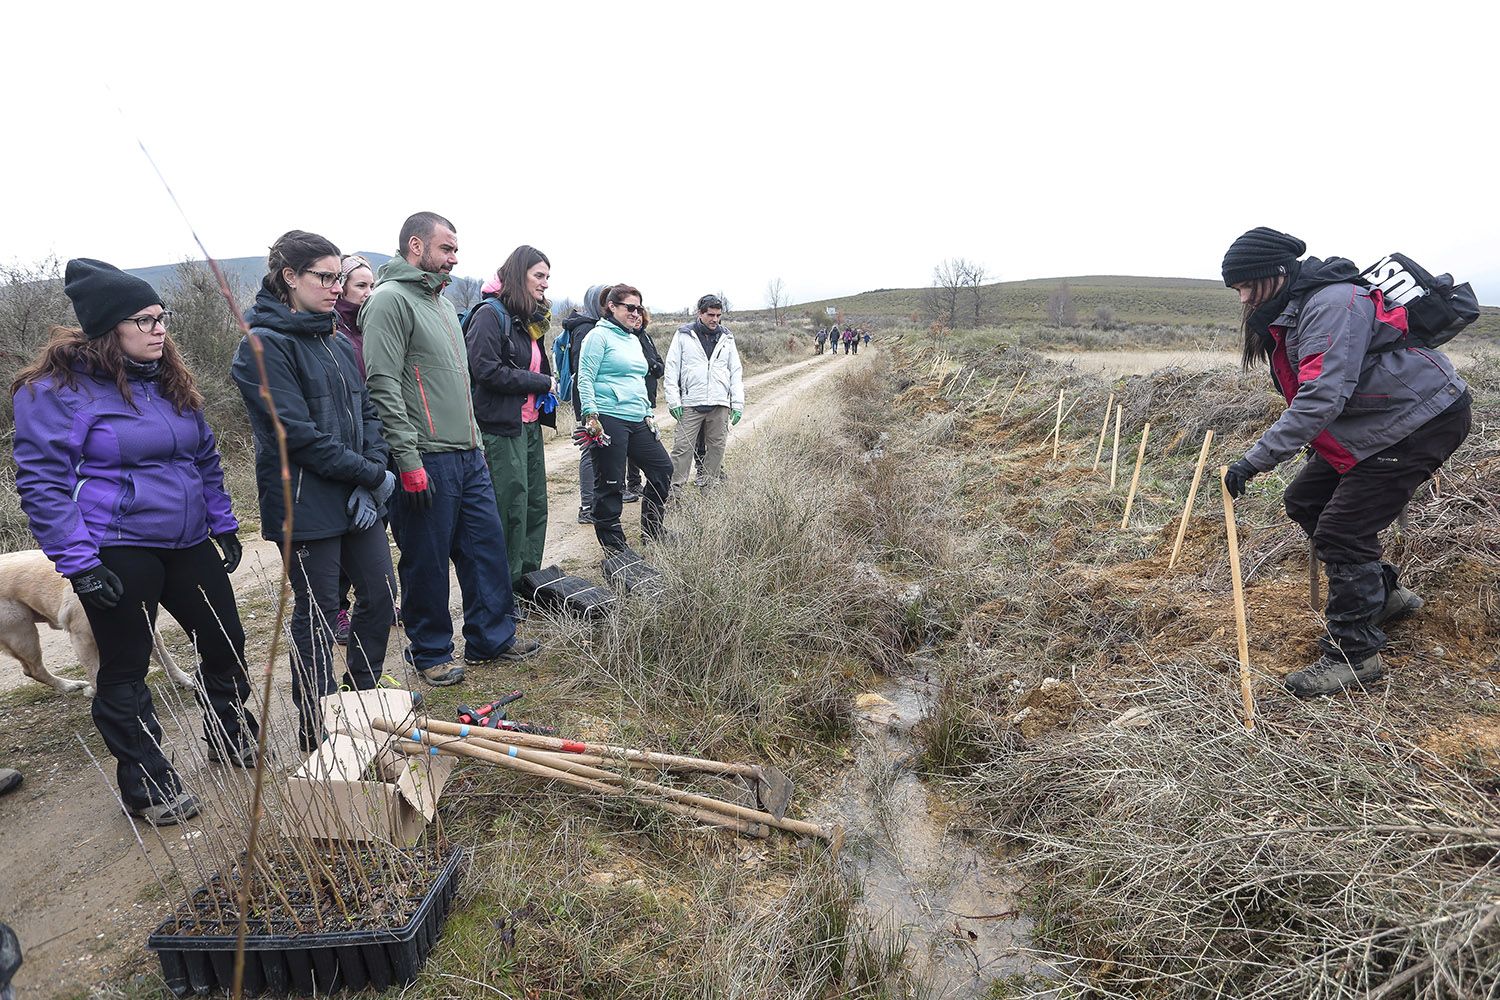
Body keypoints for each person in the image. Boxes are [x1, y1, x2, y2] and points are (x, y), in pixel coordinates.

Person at [12, 259, 258, 826]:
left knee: (225, 639)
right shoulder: (55, 392)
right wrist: (78, 563)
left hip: (189, 538)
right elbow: (43, 485)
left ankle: (227, 732)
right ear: (107, 329)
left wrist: (222, 522)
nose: (159, 328)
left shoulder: (166, 380)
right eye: (142, 319)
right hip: (117, 545)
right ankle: (146, 782)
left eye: (161, 316)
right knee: (124, 667)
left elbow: (204, 456)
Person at [1220, 227, 1471, 698]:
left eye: (1246, 286)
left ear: (1274, 274)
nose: (1243, 299)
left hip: (1421, 418)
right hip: (1377, 418)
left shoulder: (1332, 304)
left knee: (1342, 529)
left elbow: (1321, 396)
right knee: (1305, 499)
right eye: (1237, 289)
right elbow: (1320, 391)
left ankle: (1354, 655)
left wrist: (1255, 460)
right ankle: (1385, 598)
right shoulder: (1296, 306)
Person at [232, 231, 399, 751]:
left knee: (380, 595)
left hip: (356, 495)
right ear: (289, 277)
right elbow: (296, 435)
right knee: (320, 611)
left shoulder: (333, 339)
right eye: (324, 278)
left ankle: (362, 700)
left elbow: (367, 411)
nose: (335, 287)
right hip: (304, 502)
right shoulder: (261, 347)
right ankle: (319, 722)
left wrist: (374, 470)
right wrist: (369, 476)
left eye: (337, 278)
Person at [361, 212, 540, 686]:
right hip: (424, 456)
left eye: (456, 250)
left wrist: (477, 443)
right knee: (426, 558)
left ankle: (492, 637)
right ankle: (432, 651)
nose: (454, 259)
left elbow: (461, 385)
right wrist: (407, 459)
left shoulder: (441, 304)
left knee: (486, 549)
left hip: (468, 452)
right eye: (447, 249)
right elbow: (381, 384)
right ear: (416, 247)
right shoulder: (389, 301)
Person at [463, 246, 556, 588]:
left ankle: (527, 582)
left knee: (534, 505)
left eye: (547, 276)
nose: (545, 283)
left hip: (529, 425)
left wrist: (544, 385)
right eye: (538, 275)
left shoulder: (529, 319)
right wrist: (540, 381)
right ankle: (503, 589)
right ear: (520, 275)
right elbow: (485, 370)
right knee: (509, 509)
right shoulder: (490, 314)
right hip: (501, 429)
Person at [576, 285, 674, 551]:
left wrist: (647, 413)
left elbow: (638, 380)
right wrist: (590, 416)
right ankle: (615, 549)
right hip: (609, 417)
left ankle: (653, 532)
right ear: (612, 307)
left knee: (663, 470)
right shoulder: (598, 337)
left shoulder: (632, 339)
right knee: (610, 483)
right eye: (630, 307)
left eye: (639, 308)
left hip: (637, 417)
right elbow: (585, 377)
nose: (636, 313)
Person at [332, 252, 378, 643]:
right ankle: (336, 609)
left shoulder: (368, 328)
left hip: (374, 440)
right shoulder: (335, 332)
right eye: (361, 285)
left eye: (372, 286)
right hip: (343, 446)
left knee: (373, 524)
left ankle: (370, 603)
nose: (368, 293)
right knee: (342, 527)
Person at [665, 294, 745, 490]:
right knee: (682, 448)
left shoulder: (727, 337)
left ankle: (709, 489)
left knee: (716, 448)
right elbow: (671, 368)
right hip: (691, 403)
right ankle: (674, 493)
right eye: (710, 314)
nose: (715, 319)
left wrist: (737, 403)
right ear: (700, 313)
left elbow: (735, 371)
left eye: (718, 315)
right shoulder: (683, 335)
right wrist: (674, 401)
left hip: (719, 404)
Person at [561, 285, 611, 524]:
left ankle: (598, 500)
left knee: (600, 448)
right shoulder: (586, 329)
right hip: (587, 398)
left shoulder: (600, 327)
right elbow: (584, 372)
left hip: (598, 398)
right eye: (604, 301)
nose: (609, 306)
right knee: (590, 448)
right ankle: (587, 506)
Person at [623, 304, 666, 503]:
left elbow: (659, 365)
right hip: (628, 401)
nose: (637, 317)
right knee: (630, 443)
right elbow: (647, 364)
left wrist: (653, 365)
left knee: (639, 440)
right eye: (634, 314)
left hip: (645, 397)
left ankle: (634, 482)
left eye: (640, 314)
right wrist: (651, 365)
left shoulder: (645, 337)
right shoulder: (626, 339)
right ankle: (629, 484)